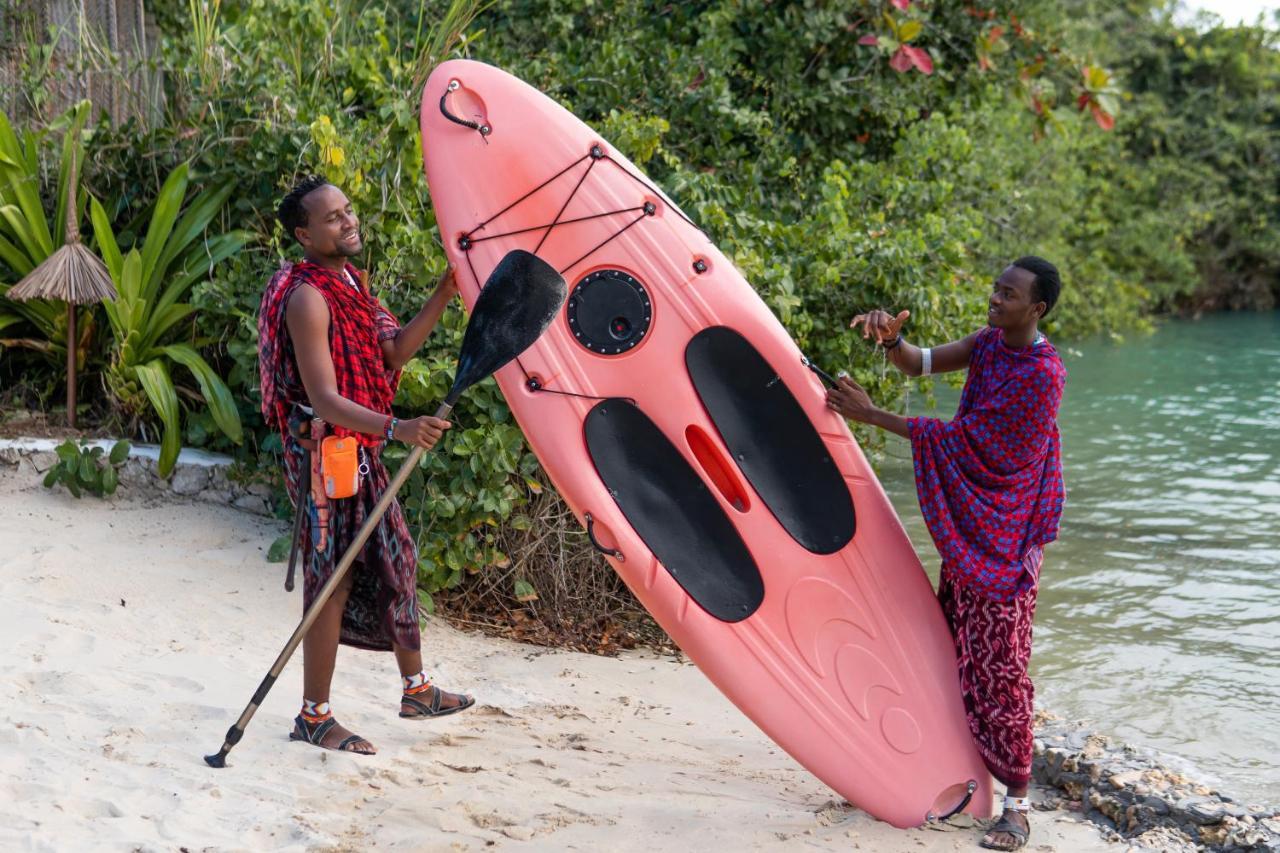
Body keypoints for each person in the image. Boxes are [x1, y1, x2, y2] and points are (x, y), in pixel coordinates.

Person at [825, 257, 1067, 851]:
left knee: (1001, 670)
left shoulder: (1044, 375)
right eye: (995, 289)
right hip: (974, 533)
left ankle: (1017, 807)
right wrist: (893, 340)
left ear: (1036, 309)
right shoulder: (989, 344)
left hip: (1004, 543)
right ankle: (948, 774)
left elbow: (976, 444)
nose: (995, 299)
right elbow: (922, 363)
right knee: (953, 650)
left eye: (1008, 295)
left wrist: (870, 417)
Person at [257, 174, 474, 756]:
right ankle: (313, 715)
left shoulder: (350, 279)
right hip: (324, 456)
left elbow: (393, 350)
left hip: (361, 447)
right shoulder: (307, 297)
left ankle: (416, 690)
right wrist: (398, 427)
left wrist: (445, 292)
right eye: (332, 218)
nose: (348, 221)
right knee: (332, 579)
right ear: (304, 234)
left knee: (396, 556)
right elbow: (324, 397)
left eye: (348, 210)